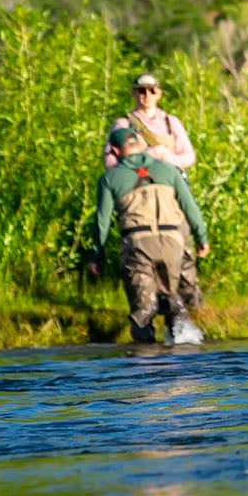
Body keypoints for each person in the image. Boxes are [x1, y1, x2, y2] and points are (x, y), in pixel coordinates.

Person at [90, 124, 211, 344]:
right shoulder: (169, 170)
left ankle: (146, 362)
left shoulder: (109, 179)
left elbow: (102, 222)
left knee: (142, 311)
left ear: (115, 151)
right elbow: (190, 207)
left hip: (138, 244)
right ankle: (183, 346)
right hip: (173, 243)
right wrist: (202, 238)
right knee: (170, 294)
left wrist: (96, 255)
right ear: (141, 145)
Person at [104, 73, 196, 171]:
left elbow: (189, 156)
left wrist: (167, 158)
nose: (147, 95)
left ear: (159, 93)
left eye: (152, 91)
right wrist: (149, 156)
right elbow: (109, 161)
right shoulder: (124, 124)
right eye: (142, 91)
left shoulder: (171, 122)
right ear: (133, 93)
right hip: (136, 182)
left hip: (168, 180)